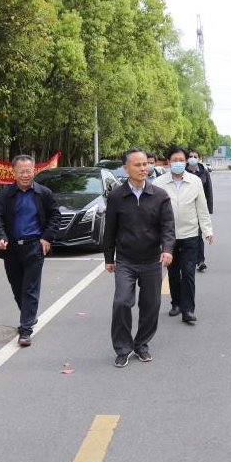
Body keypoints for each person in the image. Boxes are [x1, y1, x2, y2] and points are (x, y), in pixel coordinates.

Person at [103, 148, 175, 367]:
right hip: (126, 260)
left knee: (151, 305)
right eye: (137, 165)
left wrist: (167, 249)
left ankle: (141, 345)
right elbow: (110, 229)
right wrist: (109, 257)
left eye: (145, 164)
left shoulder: (159, 195)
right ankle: (123, 348)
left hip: (152, 259)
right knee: (122, 302)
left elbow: (168, 227)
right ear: (126, 168)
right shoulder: (116, 196)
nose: (143, 168)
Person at [0, 154, 60, 348]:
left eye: (29, 171)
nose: (25, 175)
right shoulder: (4, 196)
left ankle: (25, 329)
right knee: (17, 287)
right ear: (14, 172)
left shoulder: (43, 193)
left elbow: (55, 215)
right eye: (21, 171)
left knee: (30, 288)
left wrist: (47, 237)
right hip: (11, 248)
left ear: (34, 171)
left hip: (34, 247)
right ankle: (28, 315)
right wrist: (0, 237)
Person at [154, 146, 214, 323]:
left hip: (190, 234)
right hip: (168, 237)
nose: (178, 163)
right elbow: (153, 211)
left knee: (188, 272)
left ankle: (188, 310)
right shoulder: (159, 183)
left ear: (186, 161)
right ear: (168, 162)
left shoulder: (195, 181)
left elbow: (202, 209)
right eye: (174, 160)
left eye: (181, 160)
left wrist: (207, 230)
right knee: (173, 272)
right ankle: (176, 303)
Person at [187, 148, 213, 272]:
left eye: (195, 156)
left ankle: (200, 261)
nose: (192, 158)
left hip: (199, 209)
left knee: (198, 235)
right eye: (190, 156)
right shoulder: (183, 172)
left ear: (199, 158)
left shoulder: (204, 172)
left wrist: (209, 210)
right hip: (185, 209)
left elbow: (209, 191)